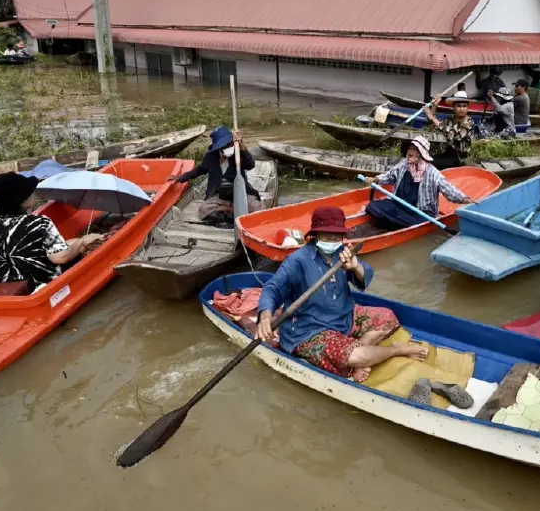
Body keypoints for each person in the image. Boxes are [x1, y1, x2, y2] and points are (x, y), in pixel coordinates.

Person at [256, 206, 430, 382]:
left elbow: (365, 276)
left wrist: (355, 267)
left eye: (338, 234)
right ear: (315, 234)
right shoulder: (298, 260)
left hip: (343, 317)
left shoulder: (342, 252)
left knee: (388, 317)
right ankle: (396, 350)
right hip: (309, 329)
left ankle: (356, 353)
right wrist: (265, 316)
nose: (333, 239)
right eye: (327, 234)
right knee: (359, 357)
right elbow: (273, 288)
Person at [0, 172, 104, 292]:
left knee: (71, 243)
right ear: (23, 200)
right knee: (78, 246)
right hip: (37, 286)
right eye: (30, 192)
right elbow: (60, 258)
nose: (33, 194)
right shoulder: (39, 223)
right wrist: (83, 240)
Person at [363, 136, 472, 230]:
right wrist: (376, 179)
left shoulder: (433, 173)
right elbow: (389, 176)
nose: (410, 151)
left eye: (414, 149)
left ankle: (395, 223)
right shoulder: (404, 164)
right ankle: (397, 223)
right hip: (399, 206)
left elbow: (449, 190)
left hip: (420, 213)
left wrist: (464, 199)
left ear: (421, 154)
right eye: (410, 148)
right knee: (372, 207)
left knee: (414, 222)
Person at [170, 125, 264, 219]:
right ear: (219, 147)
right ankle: (231, 210)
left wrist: (242, 147)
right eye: (226, 145)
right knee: (204, 209)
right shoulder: (211, 158)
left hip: (240, 194)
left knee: (259, 208)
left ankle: (231, 210)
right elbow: (199, 170)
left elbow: (251, 165)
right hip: (219, 197)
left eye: (231, 144)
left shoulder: (238, 155)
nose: (229, 147)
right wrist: (180, 178)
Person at [427, 90, 474, 169]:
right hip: (447, 153)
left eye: (464, 106)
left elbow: (451, 135)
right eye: (459, 106)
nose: (461, 109)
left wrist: (433, 119)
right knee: (427, 159)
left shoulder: (469, 122)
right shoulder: (450, 119)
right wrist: (435, 105)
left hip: (459, 158)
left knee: (431, 164)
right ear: (454, 108)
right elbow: (433, 123)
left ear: (467, 108)